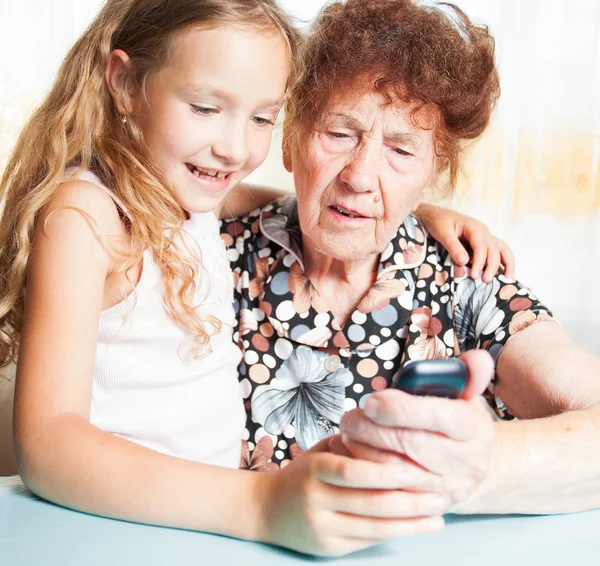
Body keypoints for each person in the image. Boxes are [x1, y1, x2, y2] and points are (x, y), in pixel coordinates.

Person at [0, 0, 512, 557]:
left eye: (262, 117)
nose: (235, 148)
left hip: (196, 533)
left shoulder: (189, 198)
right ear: (124, 84)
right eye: (204, 107)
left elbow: (296, 206)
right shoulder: (85, 216)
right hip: (111, 528)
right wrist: (258, 502)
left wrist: (414, 216)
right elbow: (47, 443)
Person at [224, 0, 600, 528]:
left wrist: (477, 463)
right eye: (339, 134)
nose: (359, 176)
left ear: (433, 171)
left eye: (401, 150)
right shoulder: (213, 255)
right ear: (290, 141)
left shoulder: (467, 276)